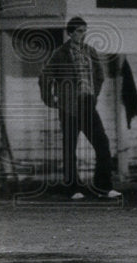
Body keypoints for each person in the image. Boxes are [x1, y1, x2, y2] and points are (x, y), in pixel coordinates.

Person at [38, 17, 121, 200]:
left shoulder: (90, 51)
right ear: (70, 33)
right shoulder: (60, 53)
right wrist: (50, 100)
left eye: (84, 31)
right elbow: (45, 76)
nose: (82, 35)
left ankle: (103, 187)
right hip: (69, 107)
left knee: (102, 145)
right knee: (70, 148)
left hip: (87, 104)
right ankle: (73, 188)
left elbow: (100, 76)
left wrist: (94, 95)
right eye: (78, 31)